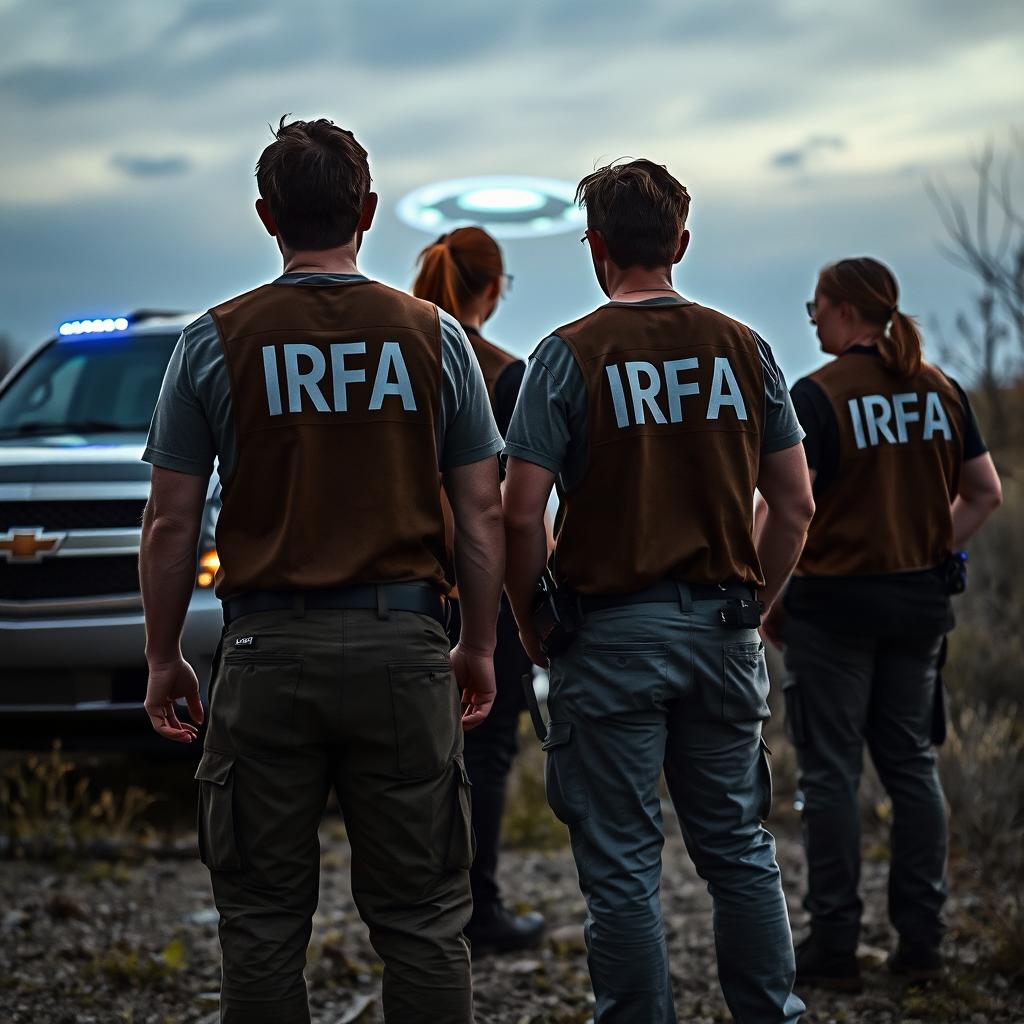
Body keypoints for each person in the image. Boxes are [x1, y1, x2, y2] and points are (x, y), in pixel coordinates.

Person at [138, 117, 505, 1024]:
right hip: (405, 648)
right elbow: (482, 511)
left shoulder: (213, 341)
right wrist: (480, 645)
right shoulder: (435, 338)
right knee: (423, 922)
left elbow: (170, 521)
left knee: (260, 924)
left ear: (267, 216)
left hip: (265, 654)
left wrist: (162, 656)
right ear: (368, 211)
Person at [502, 158, 812, 1024]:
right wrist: (756, 600)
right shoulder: (746, 349)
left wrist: (532, 624)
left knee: (622, 867)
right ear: (681, 240)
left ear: (594, 246)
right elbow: (794, 504)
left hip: (607, 641)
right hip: (723, 631)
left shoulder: (564, 356)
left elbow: (519, 513)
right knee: (741, 851)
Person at [763, 257, 1003, 991]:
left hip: (833, 609)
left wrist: (766, 595)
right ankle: (921, 944)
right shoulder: (942, 390)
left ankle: (834, 949)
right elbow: (984, 494)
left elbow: (785, 505)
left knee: (831, 777)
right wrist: (933, 546)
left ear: (844, 312)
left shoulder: (820, 396)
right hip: (919, 606)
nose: (810, 318)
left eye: (816, 306)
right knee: (912, 767)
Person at [412, 226, 546, 953]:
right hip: (477, 596)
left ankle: (420, 914)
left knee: (409, 761)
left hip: (399, 592)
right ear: (493, 289)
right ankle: (478, 909)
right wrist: (531, 612)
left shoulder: (394, 354)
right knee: (487, 758)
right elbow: (504, 510)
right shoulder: (501, 370)